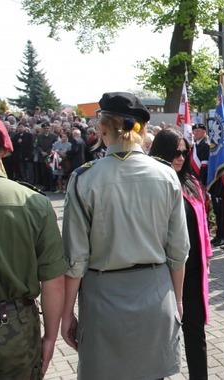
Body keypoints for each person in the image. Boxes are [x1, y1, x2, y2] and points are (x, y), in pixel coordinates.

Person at [60, 92, 189, 379]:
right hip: (156, 293)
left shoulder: (85, 177)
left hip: (102, 297)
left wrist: (66, 313)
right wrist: (177, 299)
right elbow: (179, 250)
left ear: (102, 128)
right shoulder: (166, 174)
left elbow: (75, 258)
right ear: (142, 130)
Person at [0, 111, 67, 379]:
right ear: (6, 150)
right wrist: (51, 337)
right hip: (17, 327)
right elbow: (53, 279)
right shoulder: (35, 202)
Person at [149, 129, 212, 380]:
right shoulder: (153, 184)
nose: (181, 157)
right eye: (175, 152)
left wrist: (207, 257)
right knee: (162, 335)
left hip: (193, 271)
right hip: (163, 273)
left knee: (195, 332)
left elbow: (203, 225)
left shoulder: (192, 183)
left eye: (185, 152)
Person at [36, 121, 58, 191]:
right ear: (42, 129)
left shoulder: (54, 136)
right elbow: (37, 145)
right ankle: (46, 186)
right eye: (44, 128)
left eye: (47, 128)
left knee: (51, 172)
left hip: (50, 156)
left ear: (50, 128)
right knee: (44, 172)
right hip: (42, 156)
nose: (46, 130)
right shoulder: (39, 136)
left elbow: (54, 145)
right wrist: (42, 152)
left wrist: (47, 152)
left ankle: (52, 186)